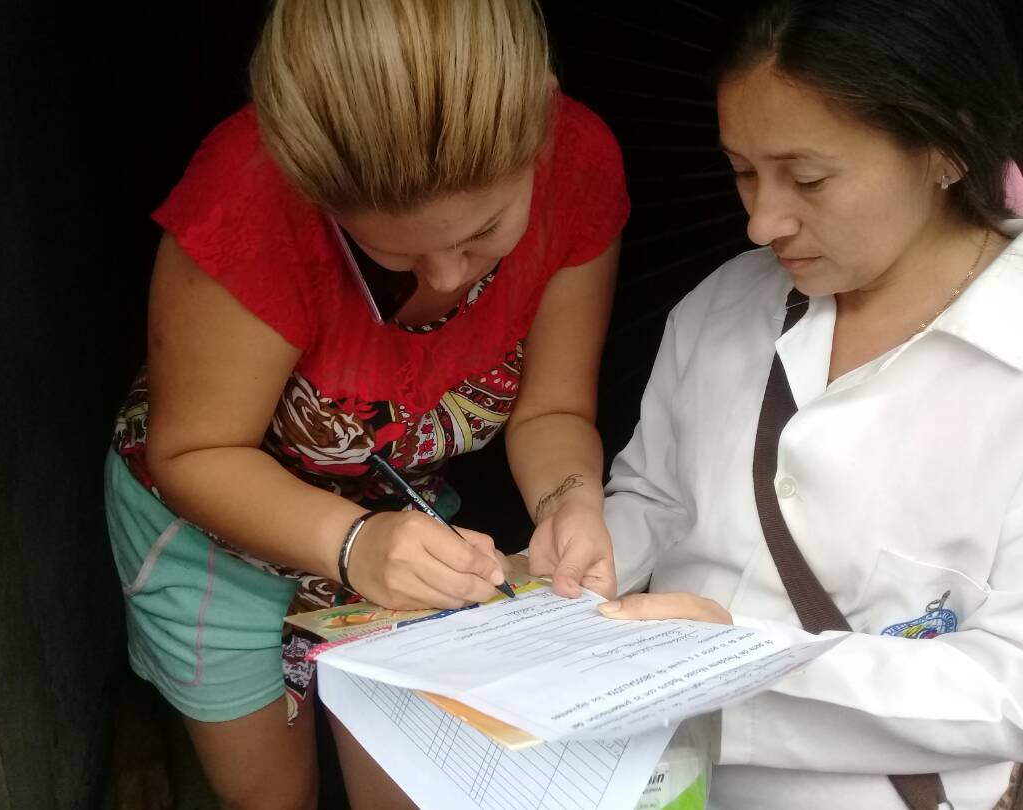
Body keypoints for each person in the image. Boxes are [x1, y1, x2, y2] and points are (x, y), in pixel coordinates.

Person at [105, 1, 626, 808]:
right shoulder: (248, 203)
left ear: (542, 125)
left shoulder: (579, 168)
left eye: (485, 231)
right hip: (211, 528)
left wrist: (570, 500)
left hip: (406, 514)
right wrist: (350, 545)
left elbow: (551, 411)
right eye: (392, 251)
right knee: (269, 797)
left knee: (412, 784)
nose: (449, 278)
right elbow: (195, 453)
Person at [597, 1, 1023, 808]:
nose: (762, 221)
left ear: (946, 148)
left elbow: (1010, 686)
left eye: (808, 178)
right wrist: (559, 574)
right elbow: (656, 496)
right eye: (742, 171)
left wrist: (740, 667)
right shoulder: (723, 306)